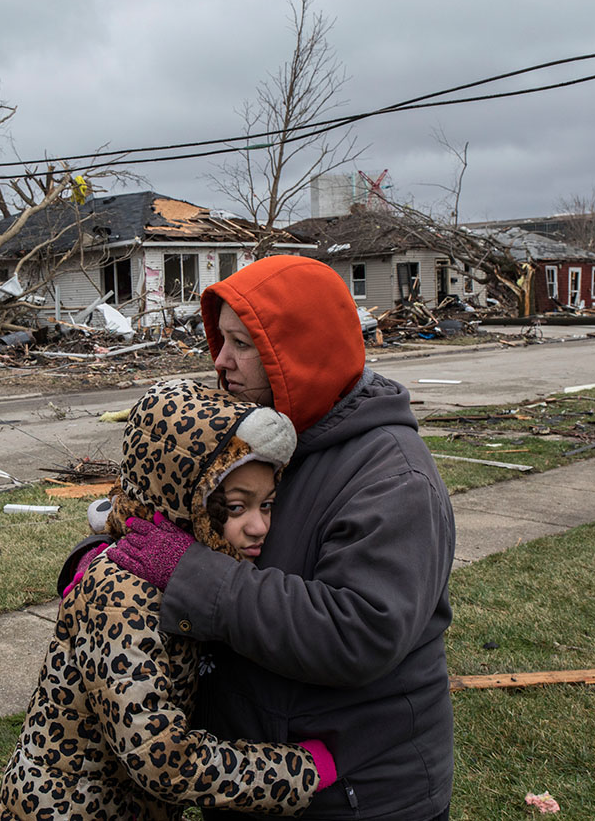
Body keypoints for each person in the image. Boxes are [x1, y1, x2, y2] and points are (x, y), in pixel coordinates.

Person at [107, 256, 456, 821]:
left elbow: (359, 631)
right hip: (249, 776)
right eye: (220, 341)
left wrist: (190, 574)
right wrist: (106, 561)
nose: (221, 363)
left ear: (303, 353)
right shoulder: (258, 439)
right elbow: (164, 521)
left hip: (352, 790)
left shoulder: (393, 479)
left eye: (244, 344)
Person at [0, 379, 338, 821]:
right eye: (236, 508)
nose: (258, 527)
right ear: (180, 500)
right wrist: (300, 771)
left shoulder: (182, 574)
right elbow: (160, 756)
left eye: (267, 505)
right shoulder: (121, 596)